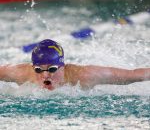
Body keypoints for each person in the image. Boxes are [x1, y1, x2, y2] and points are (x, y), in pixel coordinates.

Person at [0, 39, 150, 90]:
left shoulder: (84, 76)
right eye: (39, 70)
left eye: (52, 69)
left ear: (62, 66)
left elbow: (133, 74)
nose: (45, 75)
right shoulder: (20, 73)